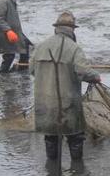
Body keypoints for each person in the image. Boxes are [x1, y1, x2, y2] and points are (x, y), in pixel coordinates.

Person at [30, 12, 101, 161]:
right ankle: (77, 171)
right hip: (68, 104)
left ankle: (52, 169)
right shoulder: (74, 48)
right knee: (75, 137)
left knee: (51, 137)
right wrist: (95, 77)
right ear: (72, 29)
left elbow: (31, 70)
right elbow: (84, 71)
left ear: (56, 28)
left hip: (45, 103)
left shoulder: (41, 46)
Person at [0, 0, 30, 74]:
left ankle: (23, 68)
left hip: (14, 32)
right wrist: (8, 30)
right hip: (5, 34)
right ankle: (2, 74)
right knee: (9, 55)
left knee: (25, 44)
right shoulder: (3, 1)